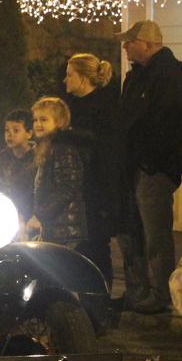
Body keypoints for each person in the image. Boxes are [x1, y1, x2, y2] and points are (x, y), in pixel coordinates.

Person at [117, 19, 182, 314]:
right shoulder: (135, 78)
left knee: (156, 233)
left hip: (152, 168)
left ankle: (160, 293)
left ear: (146, 44)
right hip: (135, 166)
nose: (125, 47)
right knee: (134, 228)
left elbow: (165, 123)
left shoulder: (168, 75)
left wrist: (149, 161)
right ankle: (140, 290)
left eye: (129, 42)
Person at [64, 53, 126, 287]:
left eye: (69, 75)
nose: (64, 80)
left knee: (97, 247)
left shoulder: (107, 109)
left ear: (83, 78)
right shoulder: (71, 108)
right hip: (76, 188)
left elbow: (108, 153)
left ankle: (101, 296)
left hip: (96, 189)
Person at [26, 97, 91, 248]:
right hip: (56, 227)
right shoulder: (48, 148)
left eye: (44, 119)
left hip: (65, 230)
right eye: (35, 120)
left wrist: (40, 215)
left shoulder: (63, 149)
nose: (38, 124)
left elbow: (67, 188)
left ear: (60, 122)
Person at [0, 108, 36, 224]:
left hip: (31, 219)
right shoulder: (3, 157)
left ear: (29, 134)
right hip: (7, 216)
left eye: (16, 130)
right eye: (7, 130)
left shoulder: (37, 158)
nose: (10, 135)